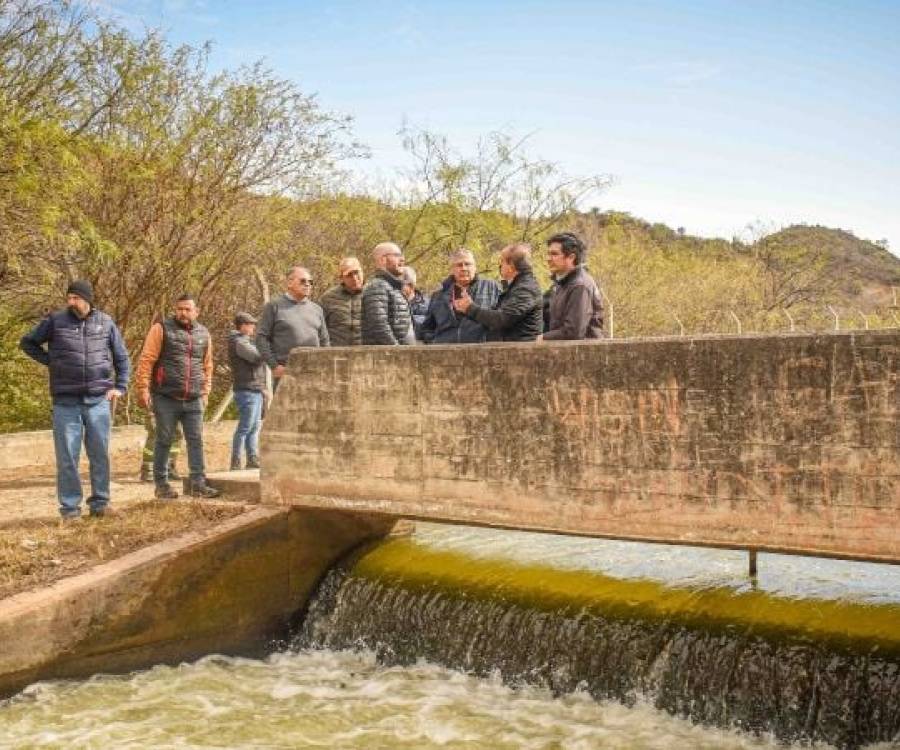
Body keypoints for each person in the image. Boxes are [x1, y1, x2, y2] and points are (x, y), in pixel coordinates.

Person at [19, 280, 130, 520]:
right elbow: (27, 343)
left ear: (87, 299)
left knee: (99, 453)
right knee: (68, 457)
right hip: (65, 402)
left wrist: (120, 386)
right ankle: (70, 510)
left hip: (98, 400)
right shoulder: (56, 321)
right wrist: (52, 361)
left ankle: (101, 503)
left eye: (75, 298)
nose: (71, 302)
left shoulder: (105, 322)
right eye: (69, 298)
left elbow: (121, 357)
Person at [134, 293, 220, 499]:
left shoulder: (204, 334)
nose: (182, 313)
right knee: (164, 439)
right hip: (165, 396)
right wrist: (143, 389)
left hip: (194, 397)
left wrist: (206, 391)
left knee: (196, 440)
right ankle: (161, 485)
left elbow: (207, 365)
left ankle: (198, 483)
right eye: (179, 309)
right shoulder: (161, 329)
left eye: (187, 309)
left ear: (196, 312)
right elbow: (147, 360)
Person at [257, 266, 329, 389]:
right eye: (303, 281)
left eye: (310, 282)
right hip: (286, 375)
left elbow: (325, 342)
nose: (307, 284)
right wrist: (274, 365)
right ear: (289, 283)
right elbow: (261, 338)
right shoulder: (274, 306)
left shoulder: (317, 310)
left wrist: (325, 366)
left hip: (315, 375)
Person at [452, 242, 542, 342]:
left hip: (520, 352)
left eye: (502, 262)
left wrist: (470, 309)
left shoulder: (526, 289)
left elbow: (502, 319)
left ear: (511, 266)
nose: (499, 266)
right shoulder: (516, 286)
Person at [420, 248, 500, 344]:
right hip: (445, 353)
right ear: (452, 270)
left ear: (475, 267)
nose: (464, 268)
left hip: (482, 352)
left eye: (467, 264)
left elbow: (502, 319)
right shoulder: (438, 296)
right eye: (459, 265)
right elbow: (427, 328)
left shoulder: (492, 287)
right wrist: (434, 341)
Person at [542, 232, 604, 340]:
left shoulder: (580, 285)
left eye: (554, 254)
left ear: (571, 257)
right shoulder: (561, 284)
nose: (548, 258)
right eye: (548, 254)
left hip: (583, 354)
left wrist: (542, 338)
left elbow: (573, 331)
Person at [228, 311, 266, 471]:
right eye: (251, 324)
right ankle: (236, 461)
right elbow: (257, 357)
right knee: (245, 427)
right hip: (247, 389)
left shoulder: (246, 341)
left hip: (254, 388)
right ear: (242, 326)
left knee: (254, 427)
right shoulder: (240, 342)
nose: (253, 327)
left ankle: (252, 458)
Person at [361, 242, 412, 345]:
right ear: (383, 260)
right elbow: (379, 325)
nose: (402, 259)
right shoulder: (377, 287)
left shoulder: (393, 287)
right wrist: (397, 350)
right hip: (387, 357)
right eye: (397, 255)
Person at [319, 257, 365, 347]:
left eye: (356, 272)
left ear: (362, 272)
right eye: (349, 275)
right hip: (337, 353)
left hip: (366, 353)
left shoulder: (372, 294)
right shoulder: (328, 298)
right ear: (341, 278)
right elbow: (320, 329)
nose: (355, 278)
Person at [400, 265, 430, 342]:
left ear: (411, 285)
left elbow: (430, 327)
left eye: (401, 285)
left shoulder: (428, 305)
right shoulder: (391, 303)